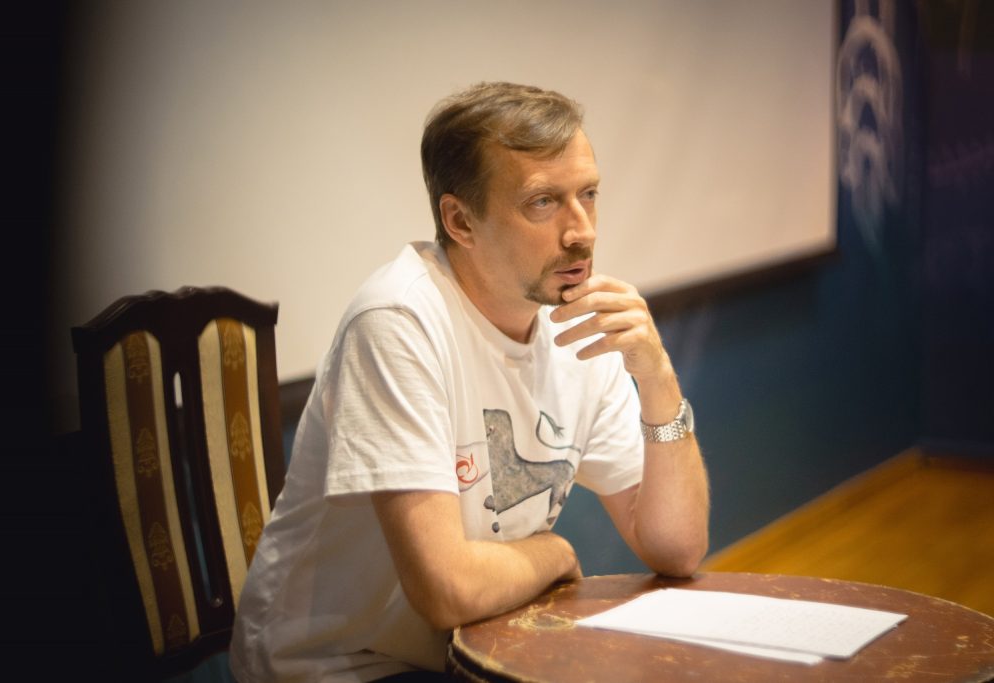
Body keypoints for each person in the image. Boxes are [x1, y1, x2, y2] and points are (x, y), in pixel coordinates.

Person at [230, 81, 709, 682]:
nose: (582, 231)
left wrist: (658, 377)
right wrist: (555, 551)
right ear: (460, 220)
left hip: (474, 648)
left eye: (588, 194)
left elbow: (676, 548)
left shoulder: (578, 325)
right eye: (542, 202)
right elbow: (446, 590)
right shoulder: (397, 321)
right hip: (337, 665)